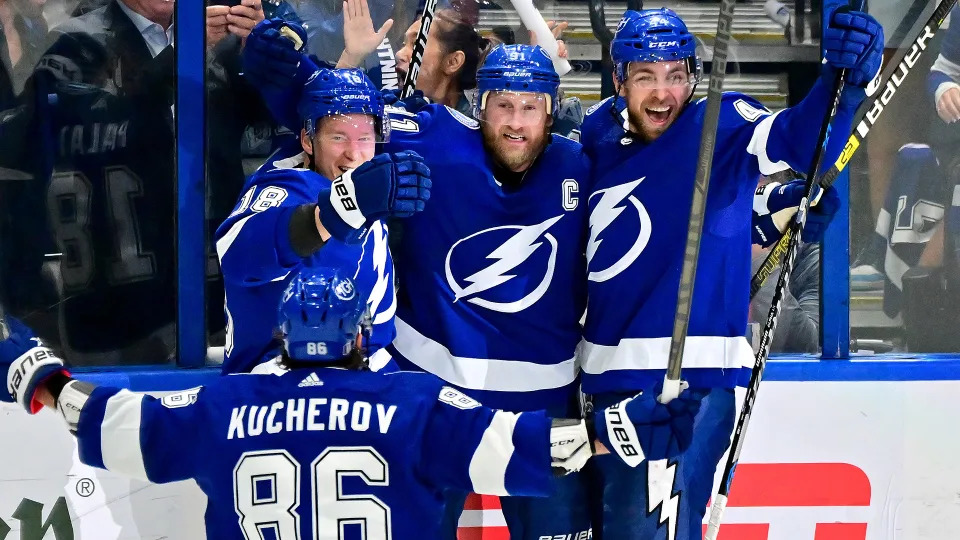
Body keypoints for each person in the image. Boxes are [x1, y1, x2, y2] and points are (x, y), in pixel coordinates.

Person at [0, 266, 701, 540]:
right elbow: (530, 448)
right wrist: (615, 430)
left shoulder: (223, 405)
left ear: (283, 334)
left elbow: (108, 422)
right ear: (361, 336)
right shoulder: (413, 402)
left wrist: (40, 377)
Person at [578, 7, 881, 539]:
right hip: (602, 390)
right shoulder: (596, 135)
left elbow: (801, 140)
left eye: (675, 75)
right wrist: (769, 213)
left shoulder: (723, 121)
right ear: (619, 77)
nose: (662, 94)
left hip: (685, 388)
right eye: (645, 76)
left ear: (693, 77)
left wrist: (843, 81)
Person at [215, 67, 431, 375]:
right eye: (338, 137)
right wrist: (332, 213)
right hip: (277, 381)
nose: (354, 154)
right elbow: (237, 256)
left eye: (365, 138)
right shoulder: (282, 186)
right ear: (307, 139)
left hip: (365, 374)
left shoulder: (371, 185)